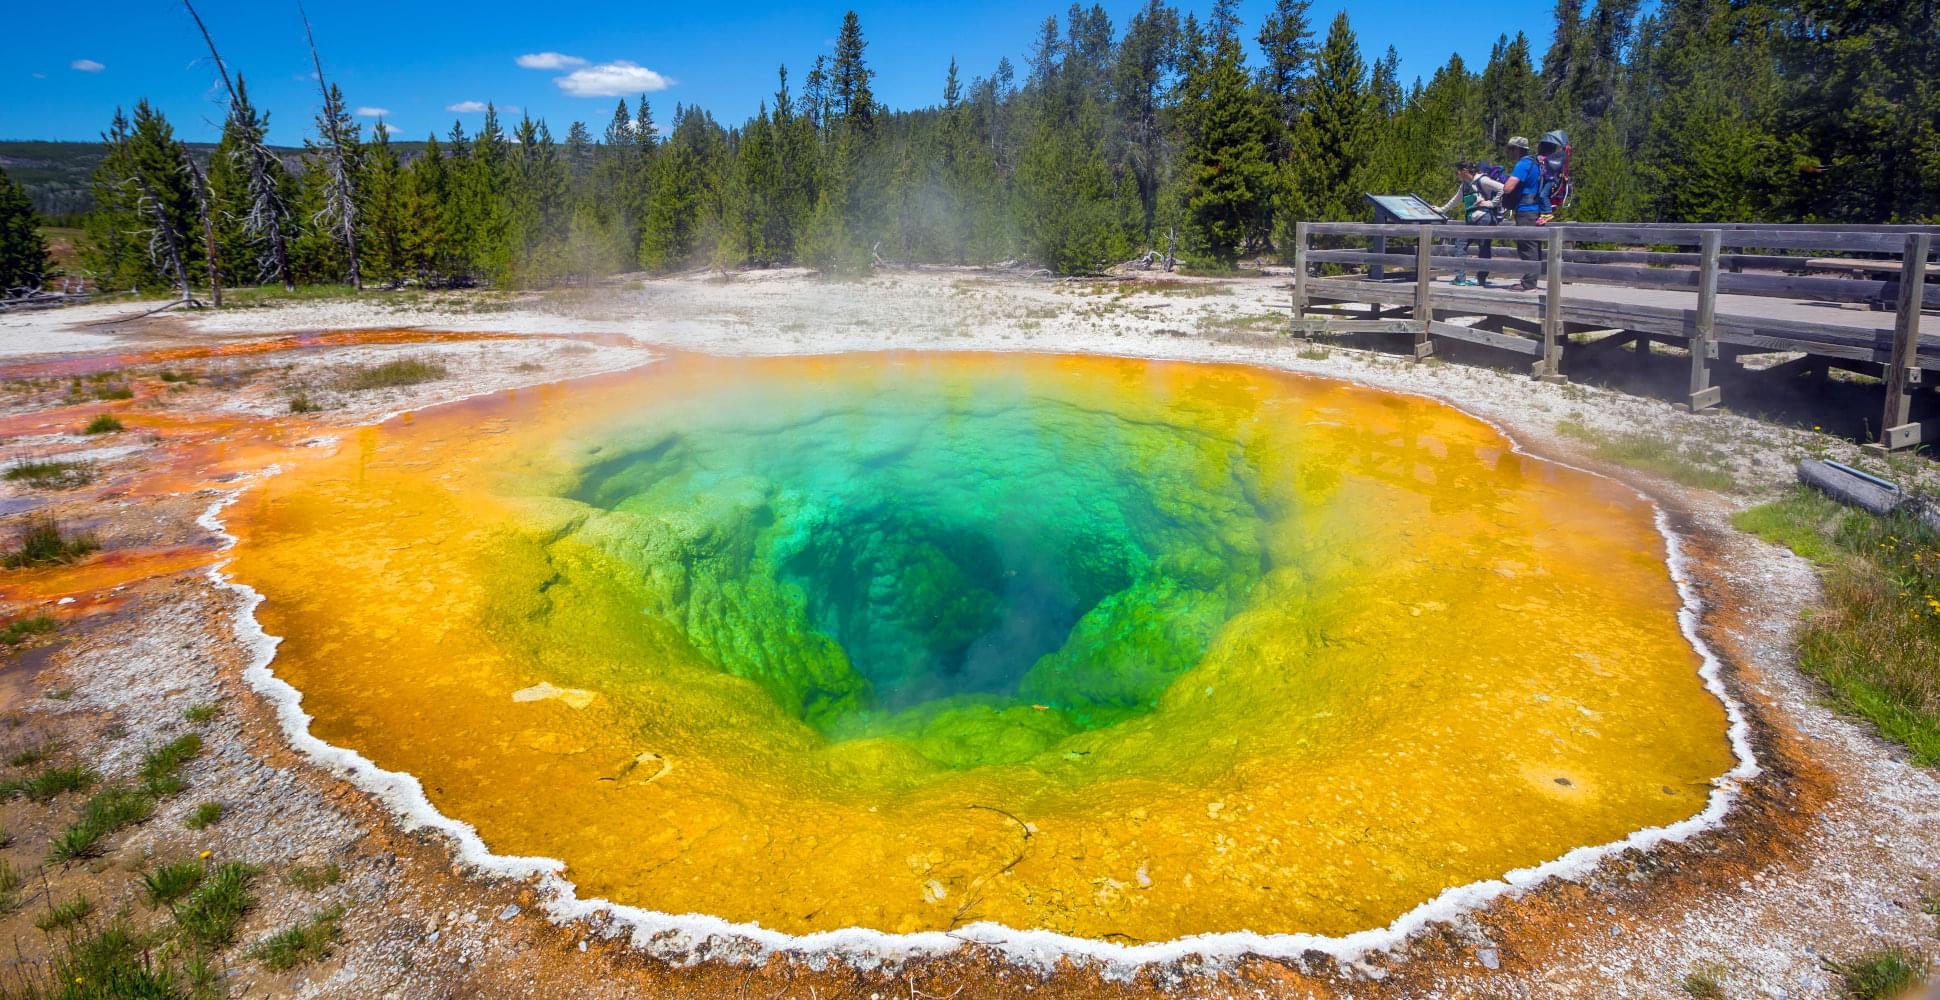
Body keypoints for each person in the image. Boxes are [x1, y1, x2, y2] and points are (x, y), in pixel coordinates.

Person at [1485, 136, 1545, 290]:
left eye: (1510, 149)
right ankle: (1531, 280)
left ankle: (1528, 283)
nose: (1508, 152)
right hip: (1535, 209)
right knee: (1533, 245)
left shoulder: (1523, 164)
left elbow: (1508, 188)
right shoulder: (1536, 163)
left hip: (1526, 210)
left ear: (1517, 149)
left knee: (1527, 246)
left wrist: (1502, 182)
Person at [1434, 162, 1504, 287]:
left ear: (1465, 171)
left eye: (1458, 172)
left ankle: (1480, 279)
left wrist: (1492, 203)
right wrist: (1441, 210)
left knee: (1484, 249)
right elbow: (1454, 200)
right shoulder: (1464, 185)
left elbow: (1502, 188)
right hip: (1471, 219)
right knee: (1460, 243)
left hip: (1485, 218)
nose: (1457, 175)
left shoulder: (1483, 180)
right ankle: (1460, 278)